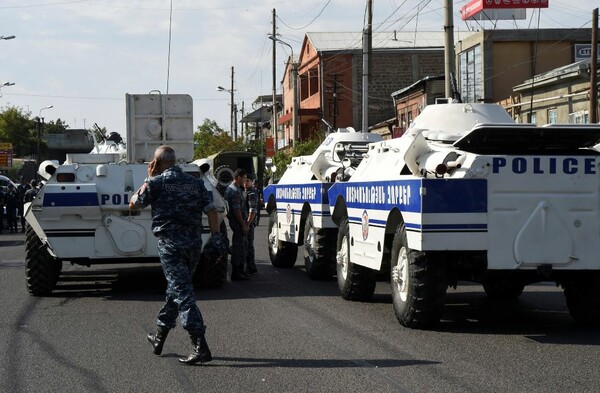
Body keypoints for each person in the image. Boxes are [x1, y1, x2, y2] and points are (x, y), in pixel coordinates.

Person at [129, 145, 227, 366]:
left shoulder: (156, 183)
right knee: (177, 290)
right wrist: (216, 237)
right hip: (193, 245)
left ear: (156, 163)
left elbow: (133, 204)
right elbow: (212, 210)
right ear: (175, 161)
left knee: (183, 294)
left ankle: (200, 345)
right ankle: (159, 337)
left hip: (171, 246)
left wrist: (148, 179)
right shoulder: (194, 183)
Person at [224, 168, 250, 281]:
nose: (245, 180)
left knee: (240, 246)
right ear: (238, 177)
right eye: (244, 178)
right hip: (237, 221)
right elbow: (237, 211)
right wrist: (243, 225)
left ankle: (240, 271)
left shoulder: (232, 189)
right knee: (238, 247)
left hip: (237, 221)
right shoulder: (234, 191)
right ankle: (236, 272)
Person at [244, 176, 258, 275]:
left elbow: (252, 210)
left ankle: (251, 266)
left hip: (249, 223)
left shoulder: (252, 193)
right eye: (244, 180)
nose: (245, 182)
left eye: (247, 181)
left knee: (249, 245)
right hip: (244, 222)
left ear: (251, 182)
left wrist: (248, 224)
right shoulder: (244, 192)